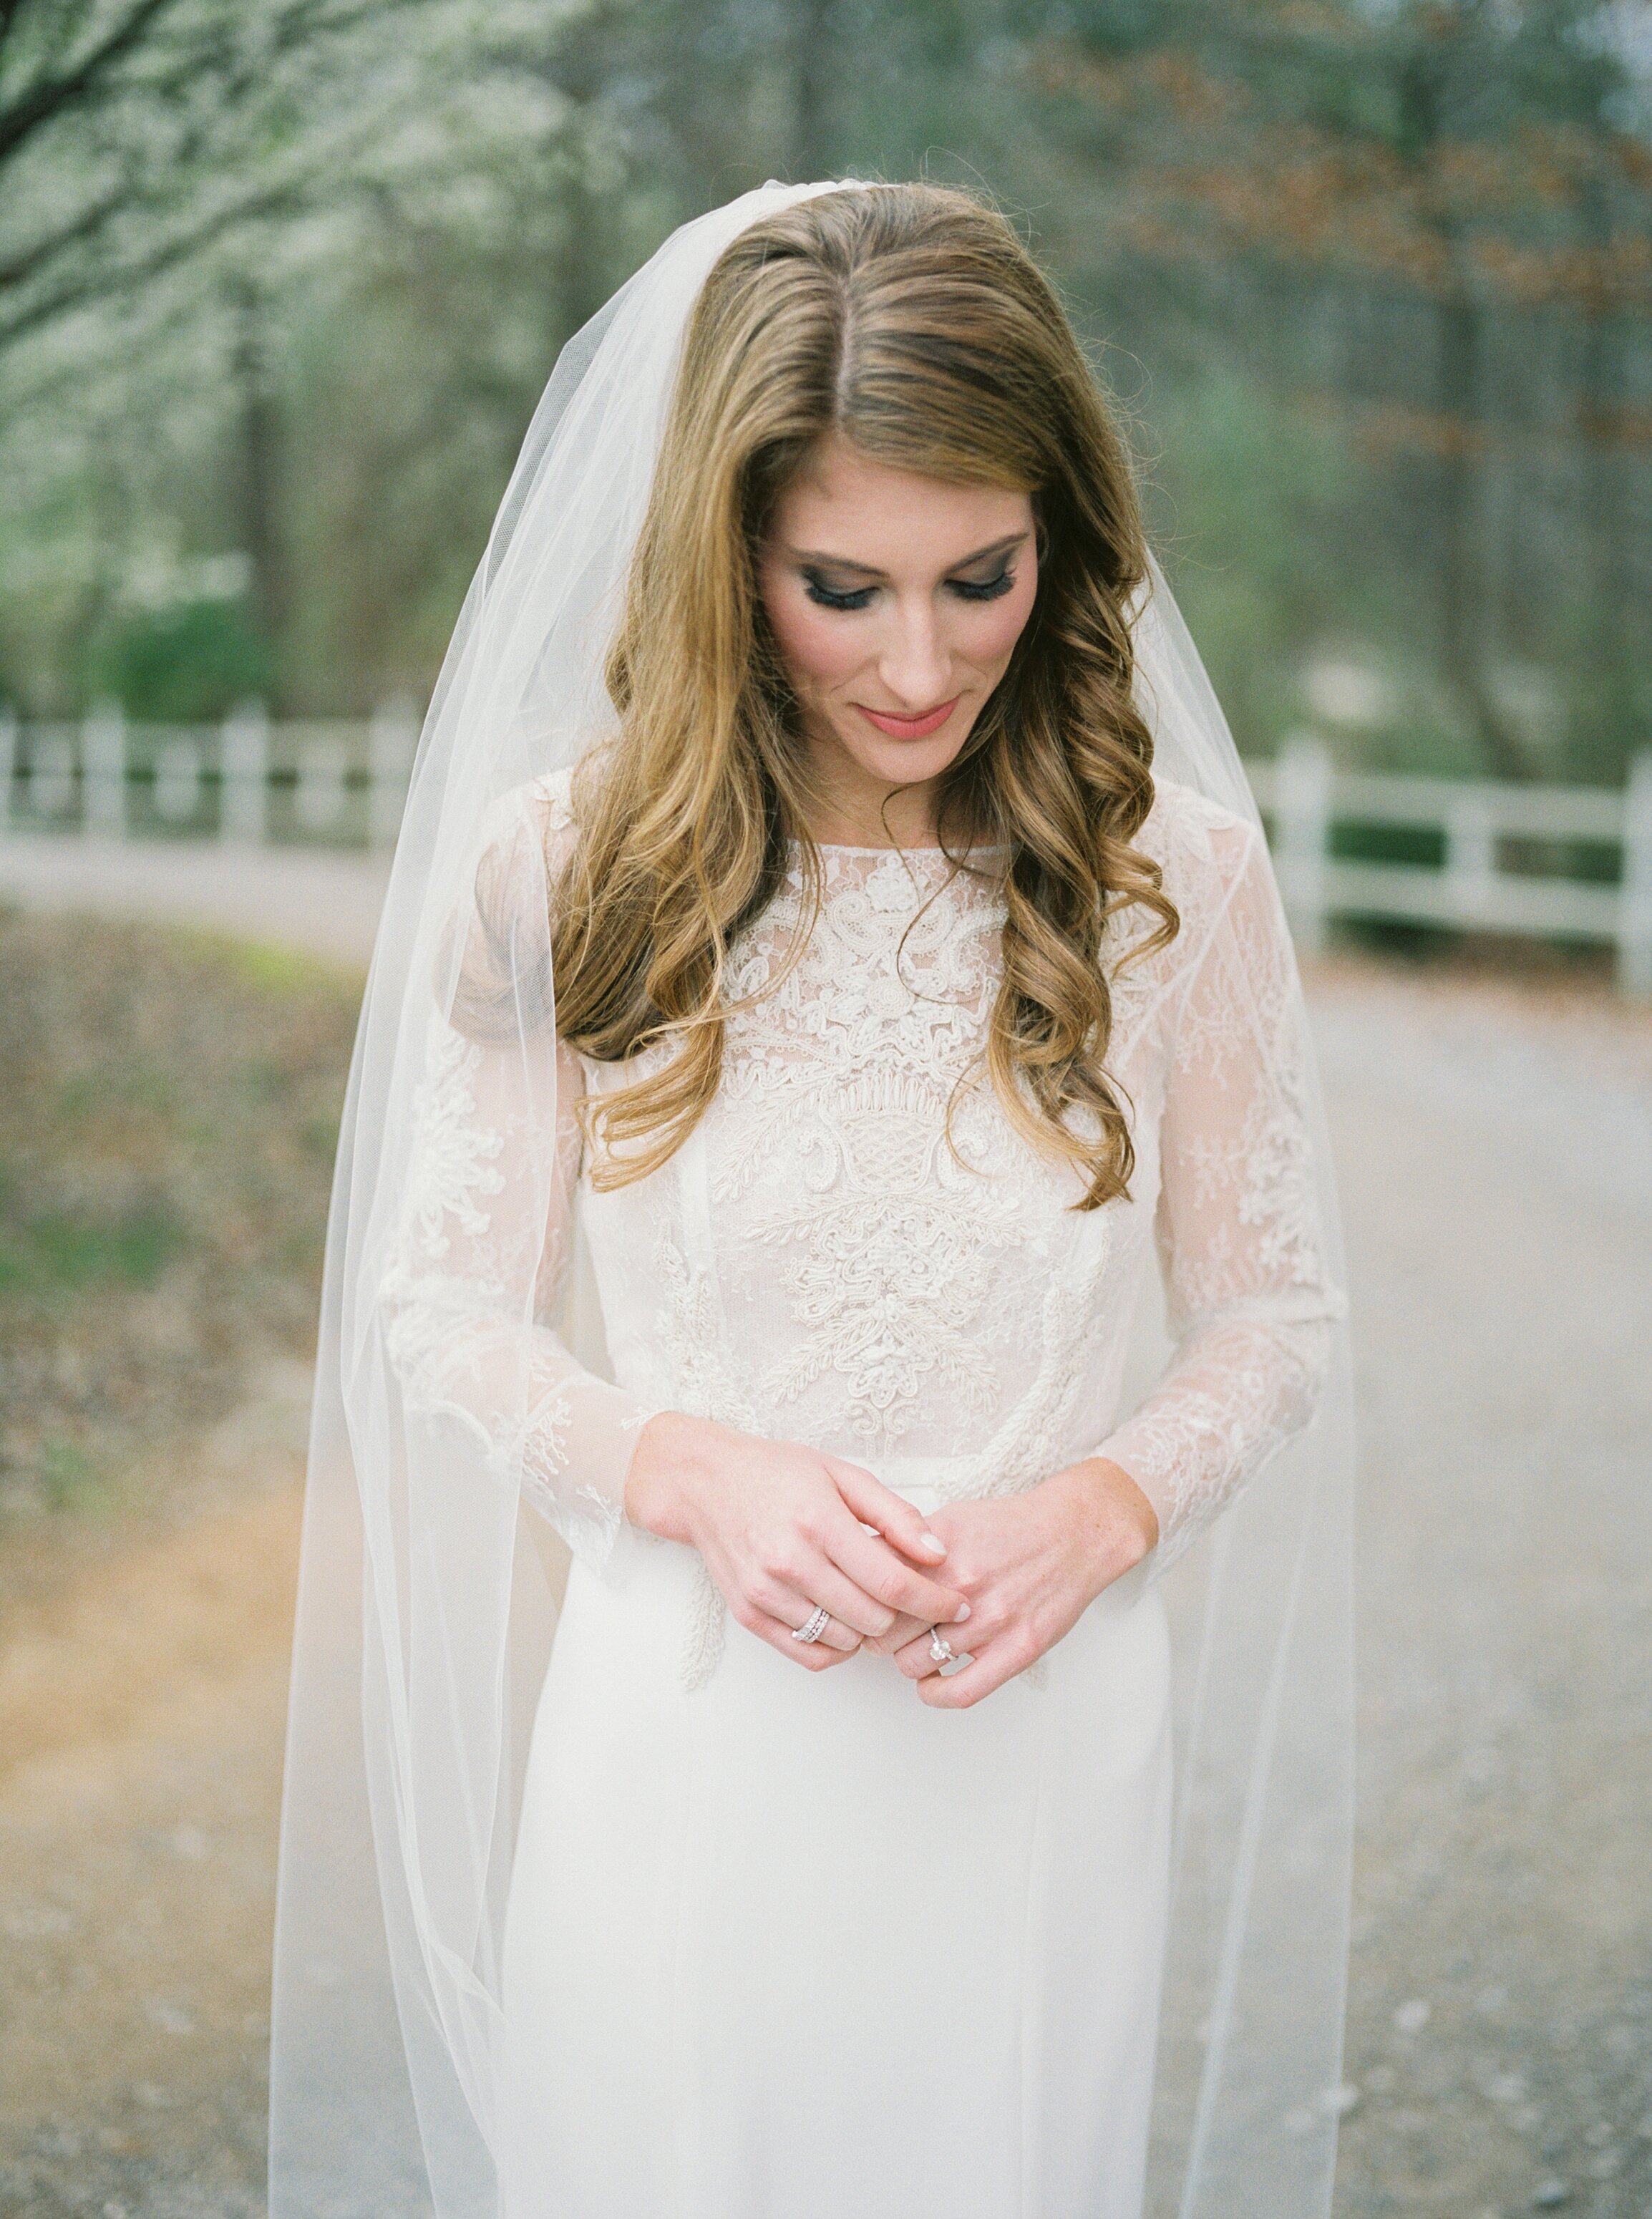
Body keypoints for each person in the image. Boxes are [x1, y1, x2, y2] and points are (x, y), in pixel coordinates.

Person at [269, 181, 1355, 2219]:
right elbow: (437, 1305)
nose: (922, 658)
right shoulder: (567, 863)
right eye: (840, 586)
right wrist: (680, 1468)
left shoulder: (1174, 880)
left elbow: (1276, 1312)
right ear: (725, 550)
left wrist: (1104, 1503)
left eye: (984, 573)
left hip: (1033, 1724)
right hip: (690, 1726)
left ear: (1065, 536)